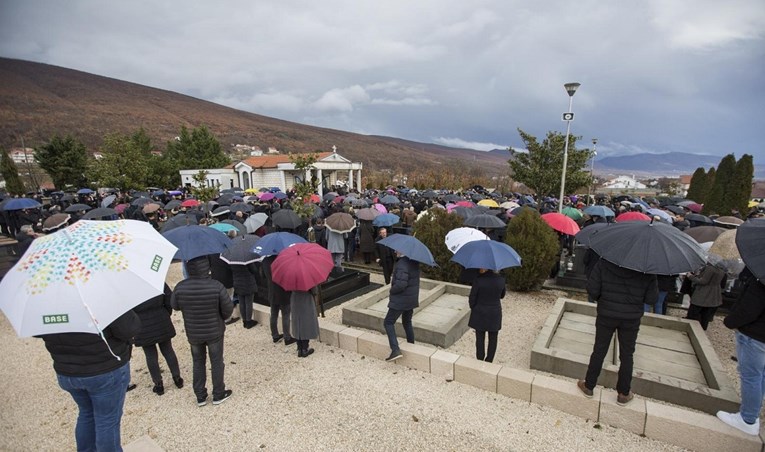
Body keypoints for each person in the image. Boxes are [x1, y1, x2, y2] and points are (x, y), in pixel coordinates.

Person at [41, 310, 140, 451]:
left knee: (87, 413)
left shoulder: (47, 300)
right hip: (104, 368)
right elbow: (129, 328)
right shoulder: (97, 295)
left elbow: (38, 330)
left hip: (67, 370)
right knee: (107, 420)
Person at [577, 258, 658, 405]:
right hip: (631, 318)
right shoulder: (647, 270)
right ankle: (623, 393)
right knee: (627, 355)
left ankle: (589, 386)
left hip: (606, 314)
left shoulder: (604, 262)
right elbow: (651, 299)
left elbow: (593, 291)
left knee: (599, 350)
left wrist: (604, 297)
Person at [171, 256, 235, 407]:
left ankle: (200, 396)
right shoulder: (216, 286)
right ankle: (218, 393)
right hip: (215, 331)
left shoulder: (181, 287)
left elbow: (175, 305)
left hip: (193, 332)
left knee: (198, 362)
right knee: (217, 361)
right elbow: (228, 310)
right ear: (207, 267)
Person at [716, 266, 765, 435]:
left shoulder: (761, 278)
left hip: (755, 334)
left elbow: (749, 309)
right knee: (760, 376)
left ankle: (748, 419)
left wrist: (729, 321)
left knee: (751, 376)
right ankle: (753, 412)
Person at [133, 284, 184, 395]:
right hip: (161, 317)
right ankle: (177, 378)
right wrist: (166, 313)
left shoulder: (128, 287)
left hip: (142, 323)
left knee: (150, 355)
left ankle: (158, 384)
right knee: (168, 350)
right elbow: (169, 298)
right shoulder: (156, 279)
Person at [383, 252, 420, 362]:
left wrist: (391, 289)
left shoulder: (402, 265)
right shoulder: (413, 262)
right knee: (407, 321)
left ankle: (395, 349)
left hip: (401, 299)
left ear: (402, 251)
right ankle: (411, 344)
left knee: (388, 322)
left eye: (396, 250)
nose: (395, 251)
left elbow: (401, 285)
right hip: (410, 299)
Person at [468, 268, 506, 362]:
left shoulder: (478, 280)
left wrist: (475, 308)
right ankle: (489, 359)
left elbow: (472, 297)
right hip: (495, 312)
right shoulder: (501, 280)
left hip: (480, 311)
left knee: (480, 337)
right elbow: (502, 295)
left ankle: (480, 358)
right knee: (493, 338)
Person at [262, 255, 296, 345]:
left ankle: (275, 335)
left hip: (272, 291)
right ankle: (287, 337)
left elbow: (262, 275)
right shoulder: (282, 260)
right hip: (282, 291)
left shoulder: (265, 261)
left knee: (273, 314)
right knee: (285, 314)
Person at [685, 261, 726, 330]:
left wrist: (691, 276)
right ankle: (702, 329)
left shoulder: (710, 268)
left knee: (694, 312)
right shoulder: (721, 270)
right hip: (714, 293)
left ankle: (691, 328)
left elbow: (703, 281)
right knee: (706, 315)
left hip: (703, 293)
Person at [290, 288, 320, 357]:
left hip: (295, 299)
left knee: (297, 323)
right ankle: (305, 349)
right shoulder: (306, 278)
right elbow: (314, 290)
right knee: (305, 322)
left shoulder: (291, 278)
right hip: (305, 299)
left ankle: (299, 348)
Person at [229, 260, 259, 329]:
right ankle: (249, 321)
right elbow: (254, 270)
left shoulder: (232, 260)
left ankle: (244, 321)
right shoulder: (247, 259)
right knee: (248, 302)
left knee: (241, 302)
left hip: (237, 283)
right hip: (248, 283)